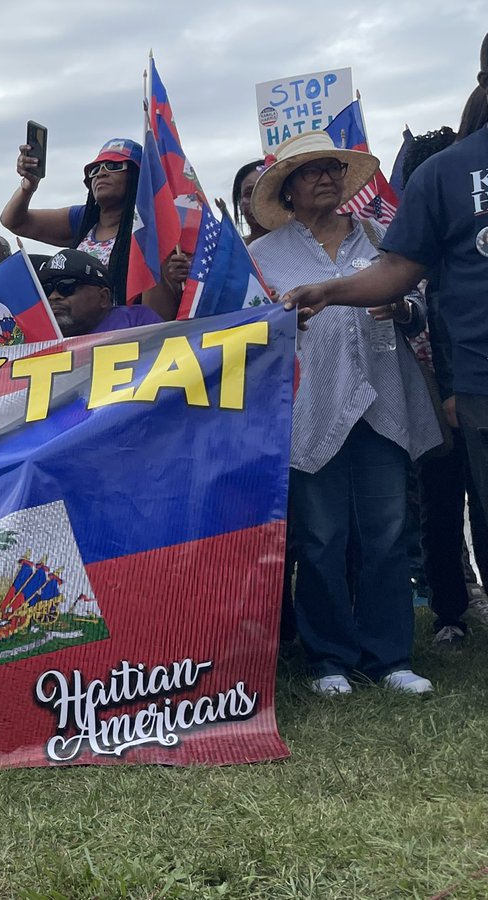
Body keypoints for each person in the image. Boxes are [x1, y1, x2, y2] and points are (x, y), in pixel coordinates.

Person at [250, 132, 442, 695]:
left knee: (387, 531)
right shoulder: (261, 256)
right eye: (311, 171)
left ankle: (391, 657)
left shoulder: (384, 240)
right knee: (319, 538)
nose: (326, 178)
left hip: (383, 400)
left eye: (333, 168)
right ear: (287, 188)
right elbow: (244, 332)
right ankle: (329, 660)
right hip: (309, 408)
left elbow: (422, 307)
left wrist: (403, 306)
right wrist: (279, 327)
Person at [0, 138, 186, 319]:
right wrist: (27, 186)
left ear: (138, 178)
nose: (101, 174)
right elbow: (14, 221)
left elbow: (156, 318)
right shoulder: (82, 220)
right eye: (95, 169)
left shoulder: (151, 230)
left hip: (128, 336)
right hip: (79, 334)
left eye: (114, 166)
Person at [38, 249, 162, 335]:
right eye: (47, 288)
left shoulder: (138, 322)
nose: (53, 296)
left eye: (66, 286)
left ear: (103, 297)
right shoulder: (37, 338)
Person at [232, 159, 270, 244]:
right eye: (249, 193)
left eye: (266, 192)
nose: (258, 200)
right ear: (240, 203)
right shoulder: (231, 253)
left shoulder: (302, 244)